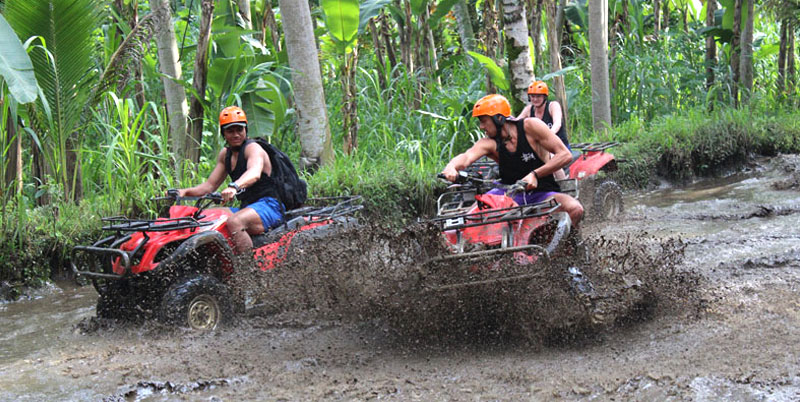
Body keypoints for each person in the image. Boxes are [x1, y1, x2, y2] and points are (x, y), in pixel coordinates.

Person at [441, 94, 583, 226]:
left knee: (575, 209)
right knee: (469, 221)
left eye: (484, 121)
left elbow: (565, 155)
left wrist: (535, 175)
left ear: (499, 118)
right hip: (506, 195)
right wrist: (451, 166)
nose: (481, 127)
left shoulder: (531, 127)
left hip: (542, 193)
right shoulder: (489, 143)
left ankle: (569, 246)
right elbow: (466, 157)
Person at [176, 106, 284, 254]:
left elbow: (254, 172)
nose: (236, 134)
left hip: (270, 205)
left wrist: (234, 186)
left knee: (235, 221)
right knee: (205, 217)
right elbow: (209, 186)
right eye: (230, 131)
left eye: (239, 129)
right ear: (223, 133)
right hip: (247, 207)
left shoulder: (253, 148)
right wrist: (184, 192)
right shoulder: (225, 155)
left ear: (246, 130)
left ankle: (249, 269)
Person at [518, 80, 572, 180]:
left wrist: (547, 134)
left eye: (538, 96)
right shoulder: (529, 109)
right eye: (532, 96)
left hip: (558, 147)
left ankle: (564, 184)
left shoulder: (552, 106)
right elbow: (516, 123)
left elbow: (557, 123)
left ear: (544, 97)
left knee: (550, 157)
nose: (535, 99)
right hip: (539, 148)